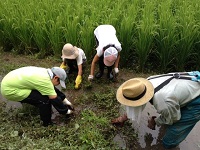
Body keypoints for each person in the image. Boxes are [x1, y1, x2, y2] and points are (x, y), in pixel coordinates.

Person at [111, 71, 200, 149]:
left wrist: (155, 121)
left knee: (169, 140)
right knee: (170, 113)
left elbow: (174, 118)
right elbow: (137, 104)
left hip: (197, 100)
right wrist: (122, 118)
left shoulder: (162, 101)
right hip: (190, 83)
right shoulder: (146, 83)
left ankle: (169, 146)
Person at [1, 66, 74, 127]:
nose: (58, 84)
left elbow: (51, 89)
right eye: (59, 82)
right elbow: (54, 98)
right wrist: (66, 111)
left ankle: (39, 108)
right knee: (44, 100)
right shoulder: (44, 81)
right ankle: (47, 124)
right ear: (55, 78)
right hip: (9, 90)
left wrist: (65, 100)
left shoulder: (45, 73)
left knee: (44, 92)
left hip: (10, 80)